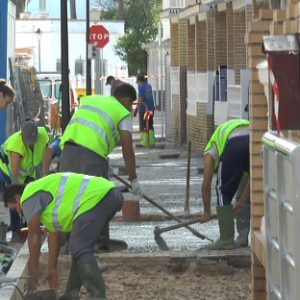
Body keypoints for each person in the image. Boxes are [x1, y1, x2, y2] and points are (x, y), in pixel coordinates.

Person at [3, 172, 124, 299]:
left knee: (80, 246)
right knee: (78, 246)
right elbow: (54, 234)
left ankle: (97, 294)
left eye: (15, 208)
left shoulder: (28, 196)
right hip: (107, 195)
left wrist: (33, 271)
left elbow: (34, 236)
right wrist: (52, 268)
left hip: (98, 197)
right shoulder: (44, 199)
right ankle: (71, 293)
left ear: (18, 198)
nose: (19, 211)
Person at [59, 83, 141, 250]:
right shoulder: (123, 112)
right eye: (131, 103)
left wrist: (103, 161)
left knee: (70, 197)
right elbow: (127, 149)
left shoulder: (92, 101)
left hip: (67, 152)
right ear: (126, 99)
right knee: (100, 199)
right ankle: (94, 243)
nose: (131, 107)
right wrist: (133, 179)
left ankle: (68, 243)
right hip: (92, 156)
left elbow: (90, 129)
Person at [199, 119, 250, 250]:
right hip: (255, 138)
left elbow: (206, 185)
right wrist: (242, 202)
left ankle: (226, 239)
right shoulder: (231, 127)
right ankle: (243, 239)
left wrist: (206, 212)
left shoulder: (210, 148)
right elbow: (254, 179)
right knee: (251, 181)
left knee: (222, 190)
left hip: (234, 143)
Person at [0, 121, 49, 241]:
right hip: (8, 170)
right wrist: (18, 198)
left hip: (28, 171)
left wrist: (45, 174)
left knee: (31, 195)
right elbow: (15, 179)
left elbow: (48, 151)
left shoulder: (42, 134)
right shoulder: (16, 147)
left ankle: (29, 225)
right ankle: (17, 230)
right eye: (28, 143)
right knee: (16, 197)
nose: (31, 145)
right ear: (22, 136)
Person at [135, 74, 155, 147]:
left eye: (137, 80)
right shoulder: (148, 85)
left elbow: (141, 99)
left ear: (138, 80)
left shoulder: (141, 87)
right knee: (150, 124)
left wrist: (136, 110)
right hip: (151, 108)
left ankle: (144, 142)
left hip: (144, 109)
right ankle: (151, 141)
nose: (136, 82)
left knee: (144, 125)